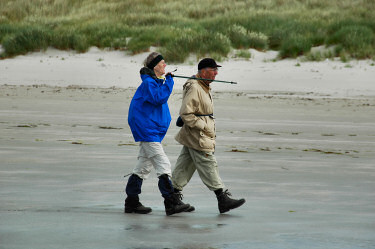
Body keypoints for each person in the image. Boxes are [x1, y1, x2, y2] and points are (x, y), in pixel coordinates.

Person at [172, 58, 245, 214]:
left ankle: (172, 199)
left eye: (216, 70)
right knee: (208, 162)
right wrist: (203, 126)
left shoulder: (203, 85)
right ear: (203, 71)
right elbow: (186, 113)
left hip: (196, 134)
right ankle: (222, 198)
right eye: (213, 70)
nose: (216, 73)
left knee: (185, 165)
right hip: (198, 135)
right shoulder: (195, 87)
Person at [124, 52, 192, 216]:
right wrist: (169, 81)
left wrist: (165, 81)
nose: (164, 65)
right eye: (162, 63)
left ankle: (131, 202)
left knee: (143, 166)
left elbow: (157, 98)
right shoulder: (149, 83)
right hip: (147, 130)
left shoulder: (153, 82)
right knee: (164, 165)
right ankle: (171, 202)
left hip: (151, 130)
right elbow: (158, 99)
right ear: (154, 66)